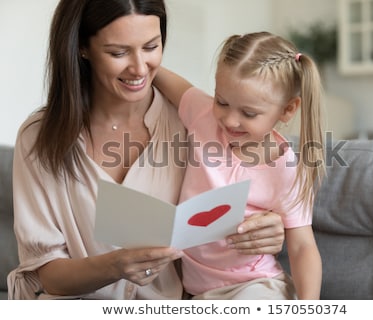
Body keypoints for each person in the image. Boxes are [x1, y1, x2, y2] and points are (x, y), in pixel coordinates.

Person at [7, 0, 286, 300]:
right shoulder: (38, 137)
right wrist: (114, 266)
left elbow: (256, 186)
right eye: (118, 52)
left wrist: (269, 228)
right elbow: (49, 275)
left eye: (151, 47)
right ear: (81, 48)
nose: (140, 68)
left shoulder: (194, 124)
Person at [153, 31, 326, 300]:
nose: (230, 121)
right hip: (200, 291)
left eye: (248, 113)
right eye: (221, 102)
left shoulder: (286, 170)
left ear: (287, 110)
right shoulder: (202, 114)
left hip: (256, 285)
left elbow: (303, 247)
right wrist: (141, 63)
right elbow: (168, 80)